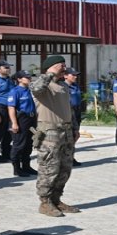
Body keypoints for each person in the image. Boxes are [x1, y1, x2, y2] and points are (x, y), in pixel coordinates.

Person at [30, 56, 79, 217]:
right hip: (49, 132)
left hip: (65, 131)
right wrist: (50, 73)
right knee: (49, 168)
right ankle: (45, 203)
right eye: (61, 65)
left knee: (65, 168)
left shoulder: (63, 85)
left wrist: (75, 128)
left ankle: (56, 199)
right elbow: (35, 88)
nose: (64, 68)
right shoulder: (43, 85)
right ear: (50, 67)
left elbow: (68, 108)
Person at [7, 71, 38, 177]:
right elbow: (11, 108)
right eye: (26, 77)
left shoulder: (28, 90)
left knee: (29, 144)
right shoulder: (15, 91)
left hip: (31, 118)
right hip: (21, 119)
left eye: (30, 77)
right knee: (19, 145)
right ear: (19, 79)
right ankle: (17, 168)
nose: (29, 78)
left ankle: (26, 166)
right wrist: (14, 123)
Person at [64, 68, 85, 166]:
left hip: (77, 112)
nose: (75, 77)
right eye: (73, 75)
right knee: (68, 137)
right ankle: (66, 158)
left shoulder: (76, 86)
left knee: (75, 135)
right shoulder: (63, 87)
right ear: (65, 76)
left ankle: (71, 157)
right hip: (68, 113)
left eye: (76, 75)